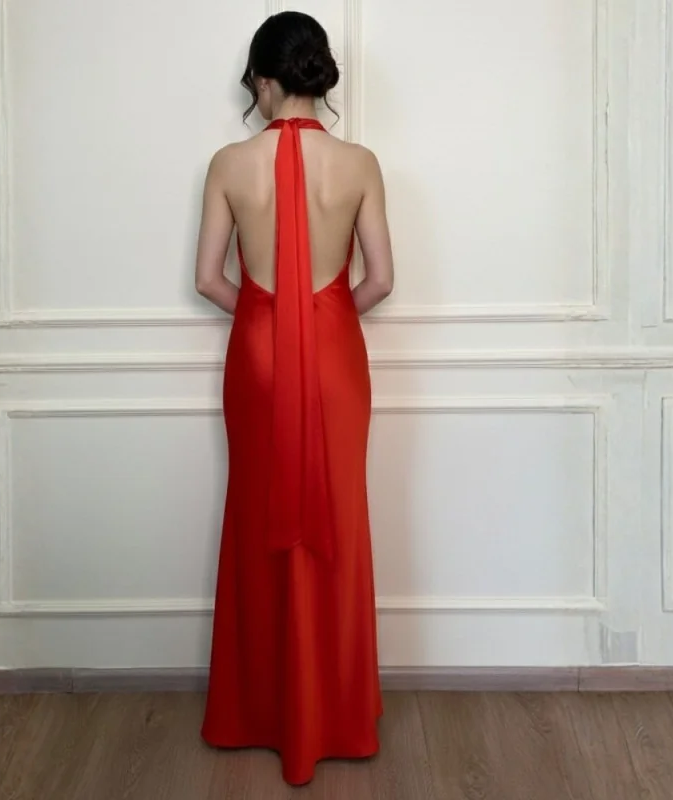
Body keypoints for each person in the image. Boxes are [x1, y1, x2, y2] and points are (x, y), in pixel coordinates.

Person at [195, 10, 394, 787]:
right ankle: (334, 714)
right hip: (336, 358)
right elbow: (380, 279)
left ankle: (257, 712)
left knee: (256, 516)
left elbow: (209, 279)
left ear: (262, 79)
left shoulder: (227, 163)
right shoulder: (361, 163)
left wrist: (270, 319)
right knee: (337, 518)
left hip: (258, 357)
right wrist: (324, 320)